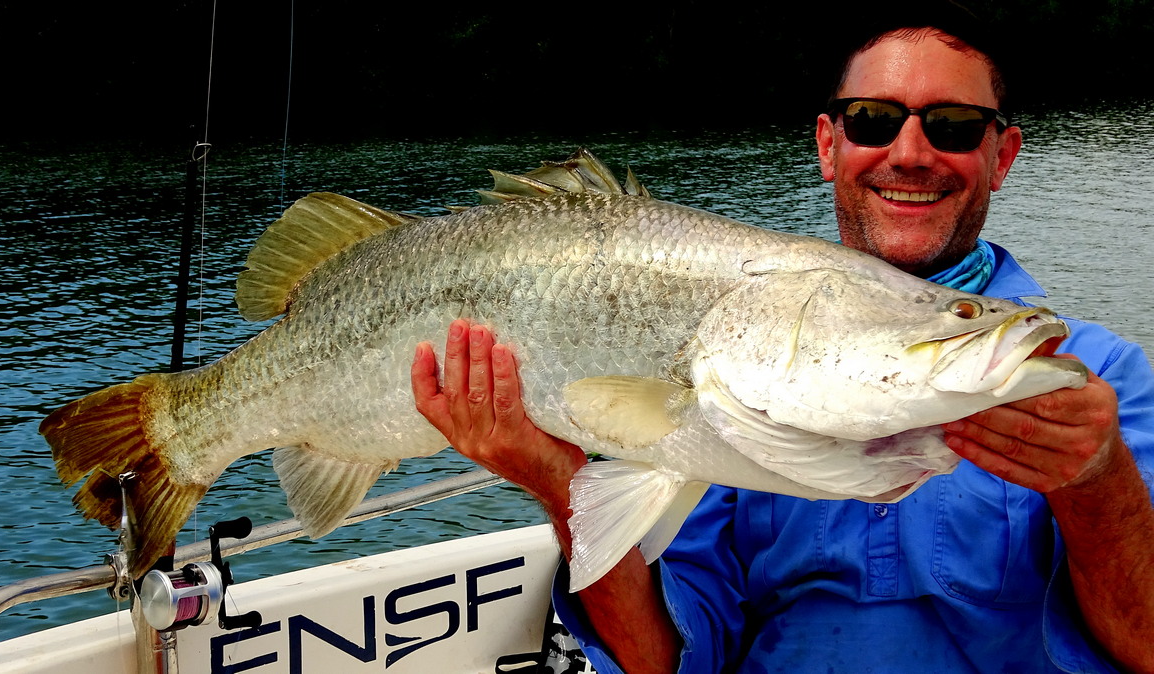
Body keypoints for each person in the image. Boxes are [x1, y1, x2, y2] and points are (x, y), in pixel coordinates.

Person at [411, 22, 1154, 673]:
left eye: (955, 125)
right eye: (872, 120)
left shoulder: (1099, 383)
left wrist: (1096, 483)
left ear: (1002, 155)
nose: (910, 152)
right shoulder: (734, 373)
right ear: (830, 145)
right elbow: (659, 660)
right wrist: (557, 482)